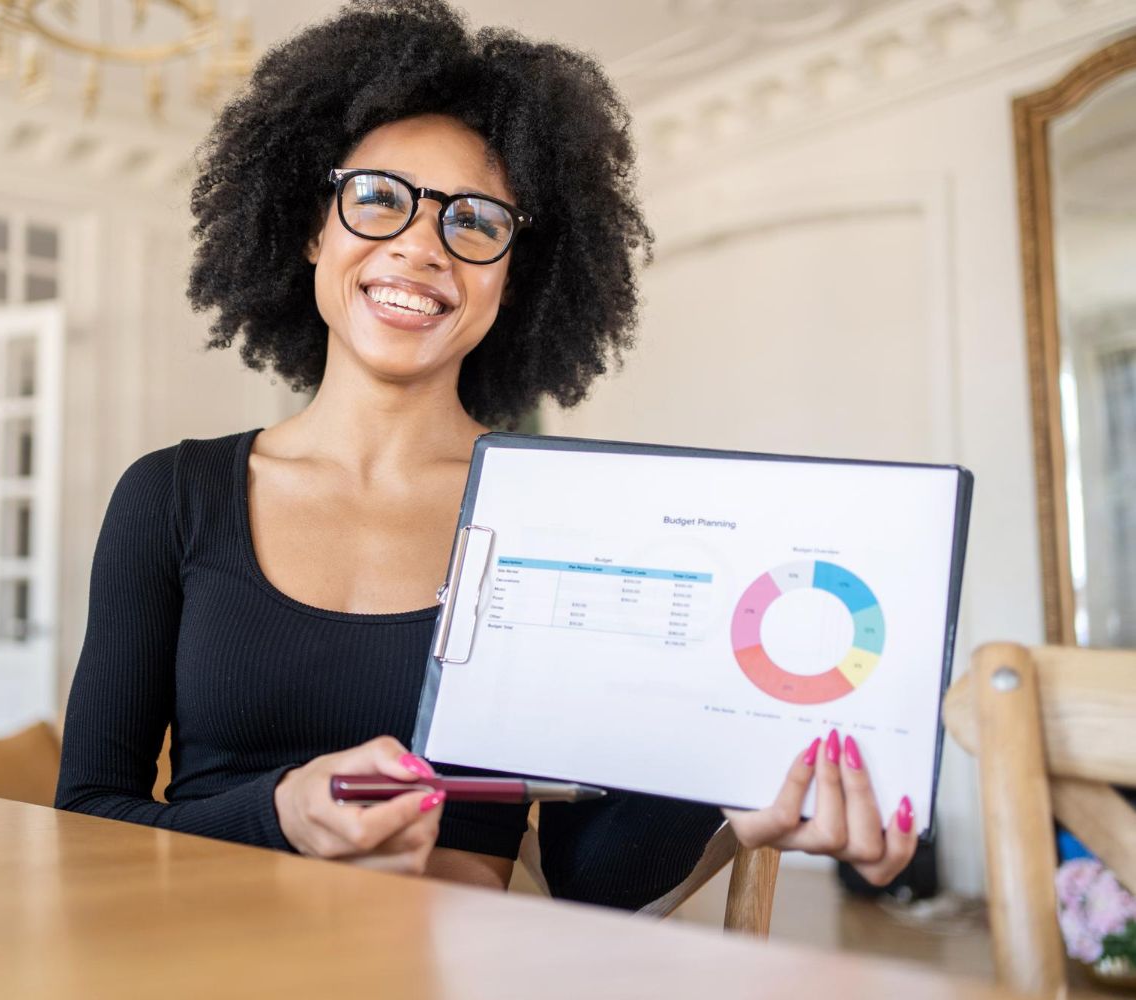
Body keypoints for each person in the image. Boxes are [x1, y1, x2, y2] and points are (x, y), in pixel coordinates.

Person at [56, 0, 918, 904]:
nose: (422, 246)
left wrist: (738, 814)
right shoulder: (172, 496)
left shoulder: (565, 519)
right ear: (315, 228)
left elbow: (596, 884)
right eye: (379, 199)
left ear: (515, 276)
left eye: (474, 221)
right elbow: (83, 818)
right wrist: (278, 813)